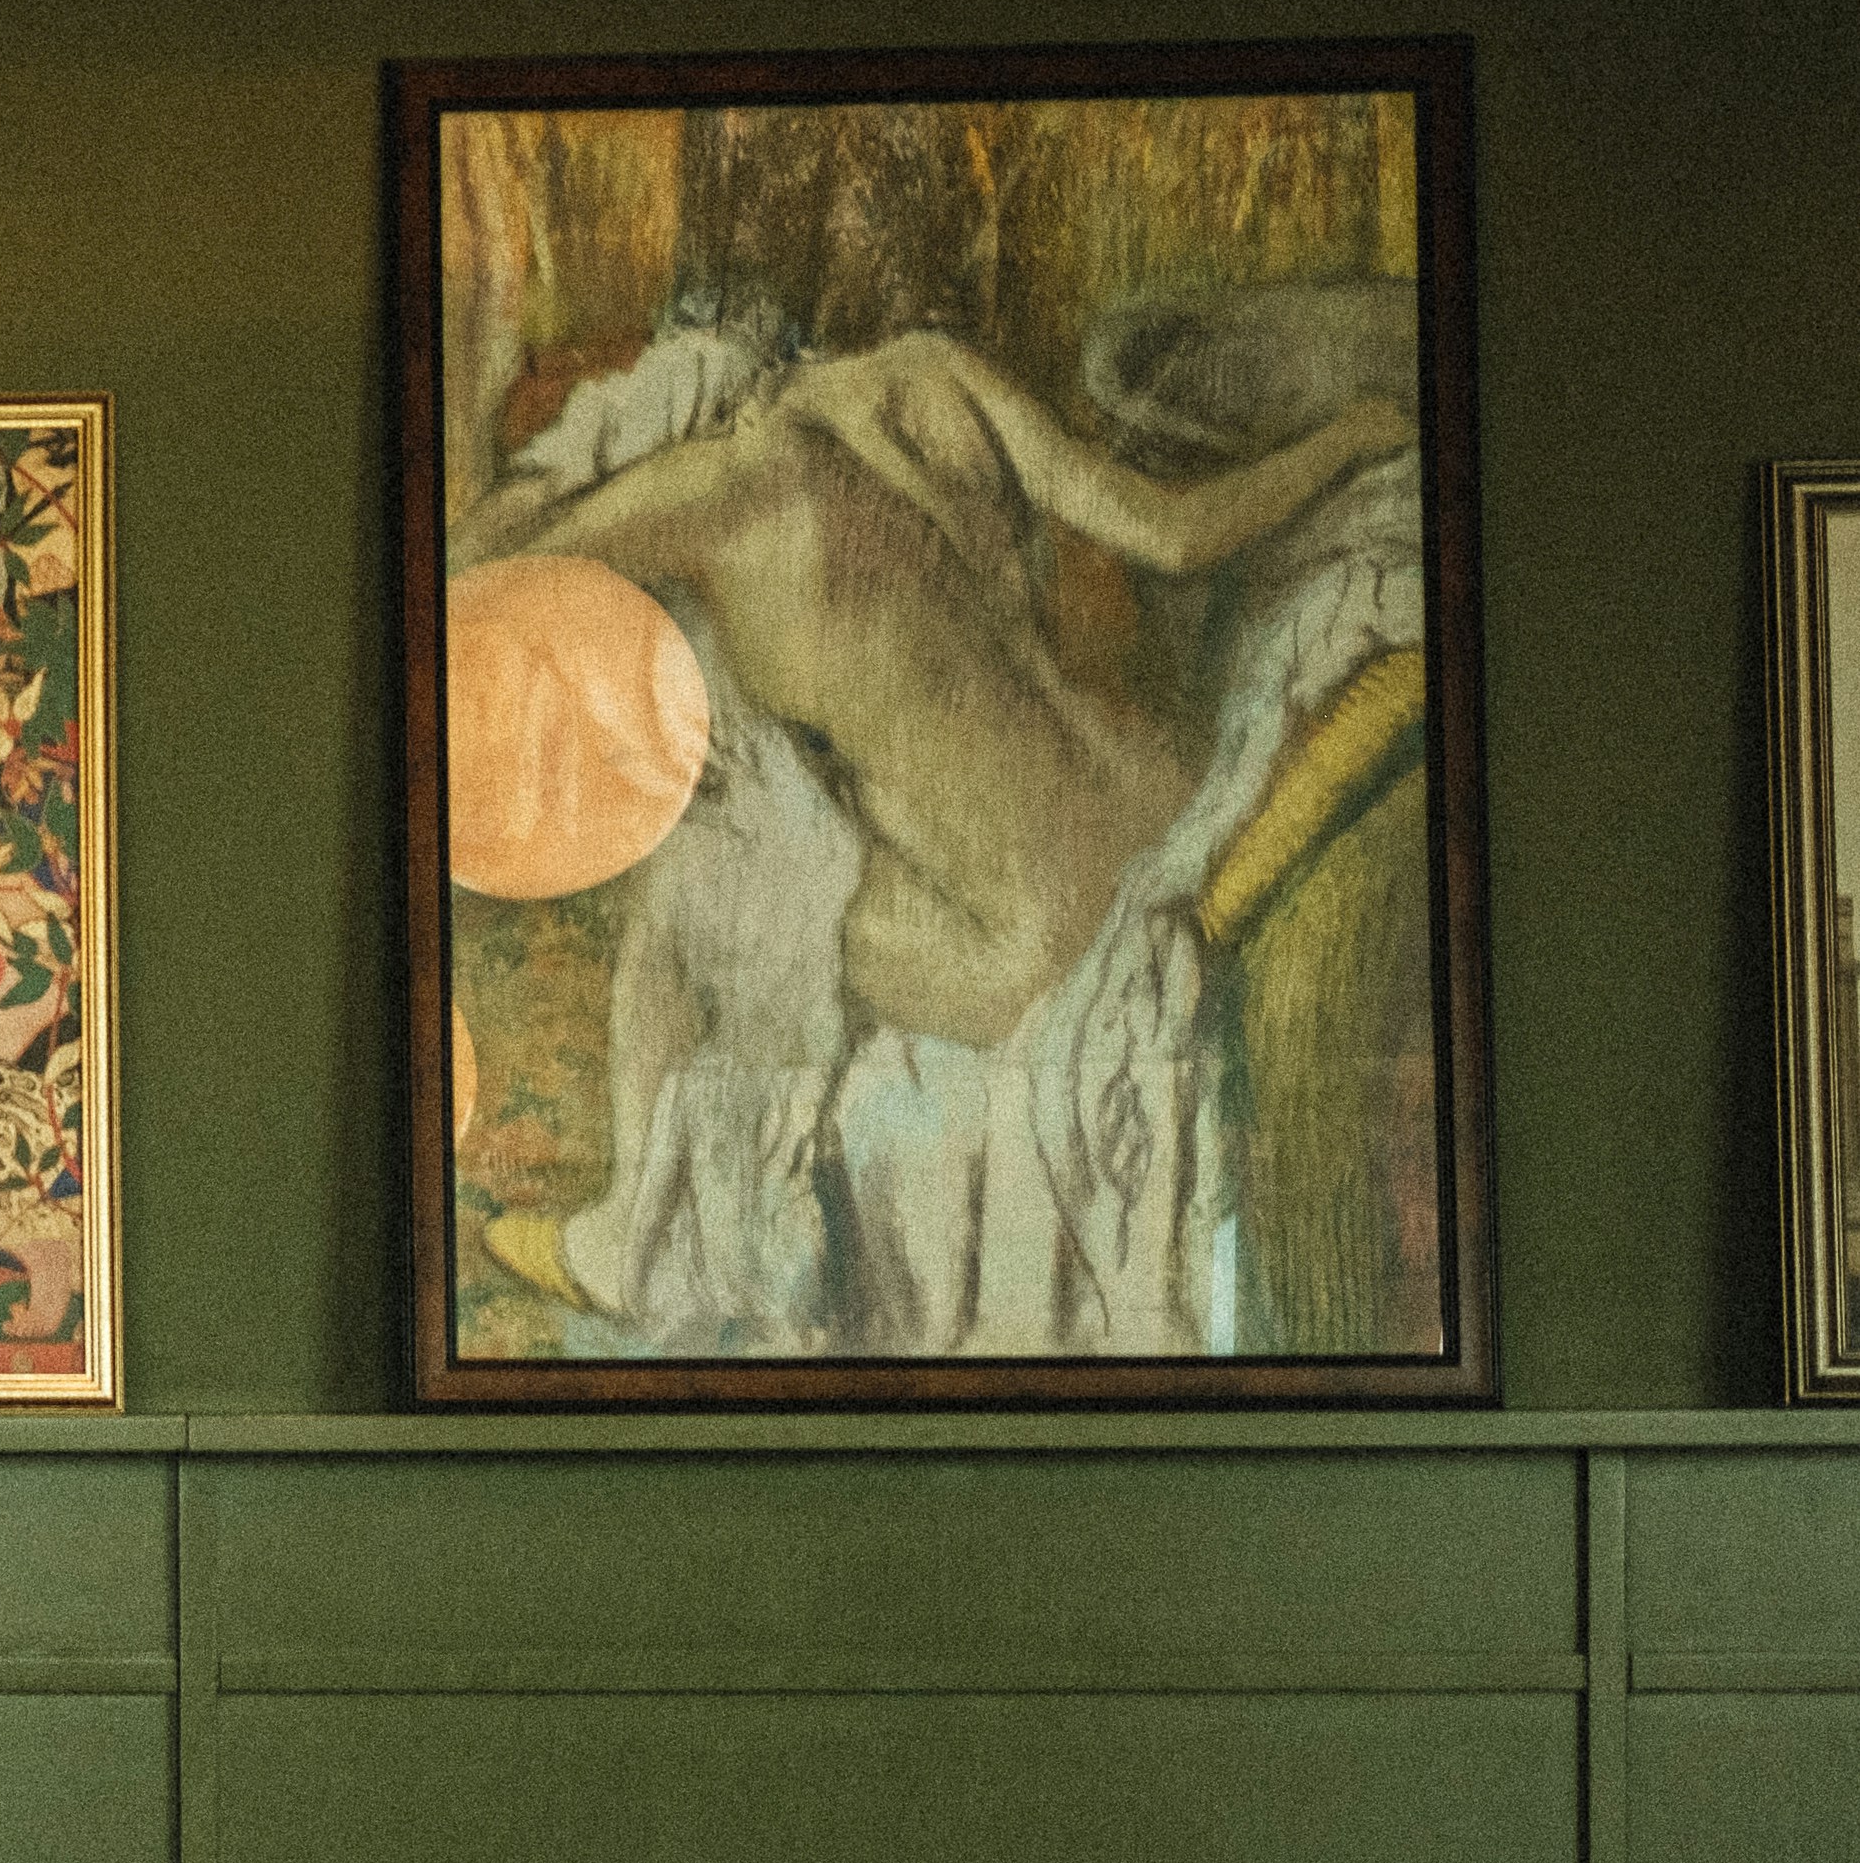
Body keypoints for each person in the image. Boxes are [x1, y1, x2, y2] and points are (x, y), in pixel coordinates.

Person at [457, 294, 1421, 1356]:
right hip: (1161, 808)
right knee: (793, 817)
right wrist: (1352, 436)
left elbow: (483, 582)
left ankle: (625, 1242)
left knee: (693, 873)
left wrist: (519, 466)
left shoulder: (720, 484)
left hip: (1031, 942)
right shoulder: (933, 377)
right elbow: (1175, 534)